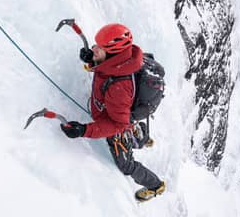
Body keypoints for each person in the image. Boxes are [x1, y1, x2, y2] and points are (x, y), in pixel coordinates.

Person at [60, 23, 165, 202]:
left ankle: (155, 186)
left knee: (126, 165)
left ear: (112, 54)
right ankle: (142, 137)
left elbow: (117, 124)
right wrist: (93, 59)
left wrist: (84, 130)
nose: (93, 49)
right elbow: (105, 69)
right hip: (122, 110)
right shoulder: (119, 61)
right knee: (126, 120)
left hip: (117, 118)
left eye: (98, 49)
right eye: (95, 46)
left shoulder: (119, 88)